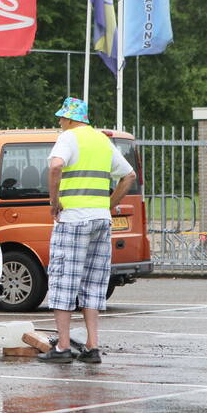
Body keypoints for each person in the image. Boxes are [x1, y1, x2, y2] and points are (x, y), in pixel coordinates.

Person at [38, 97, 136, 364]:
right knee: (94, 282)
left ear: (70, 119)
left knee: (63, 280)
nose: (59, 122)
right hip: (100, 221)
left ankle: (63, 348)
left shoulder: (68, 138)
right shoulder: (101, 140)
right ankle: (93, 347)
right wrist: (108, 205)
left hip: (73, 220)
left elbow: (56, 165)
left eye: (61, 118)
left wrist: (53, 202)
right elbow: (129, 176)